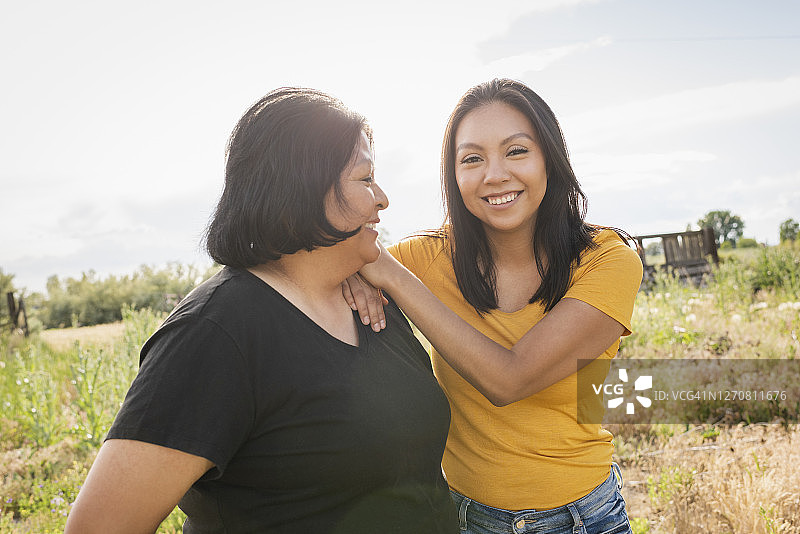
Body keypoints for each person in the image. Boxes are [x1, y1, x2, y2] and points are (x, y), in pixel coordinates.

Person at [65, 88, 459, 534]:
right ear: (302, 189)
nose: (383, 198)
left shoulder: (369, 302)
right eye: (365, 179)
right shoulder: (214, 334)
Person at [345, 78, 642, 534]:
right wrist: (353, 271)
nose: (495, 175)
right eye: (472, 159)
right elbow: (326, 256)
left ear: (550, 158)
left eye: (516, 151)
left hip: (584, 518)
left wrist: (384, 274)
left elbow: (510, 379)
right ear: (454, 175)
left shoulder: (607, 260)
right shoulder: (425, 258)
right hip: (466, 519)